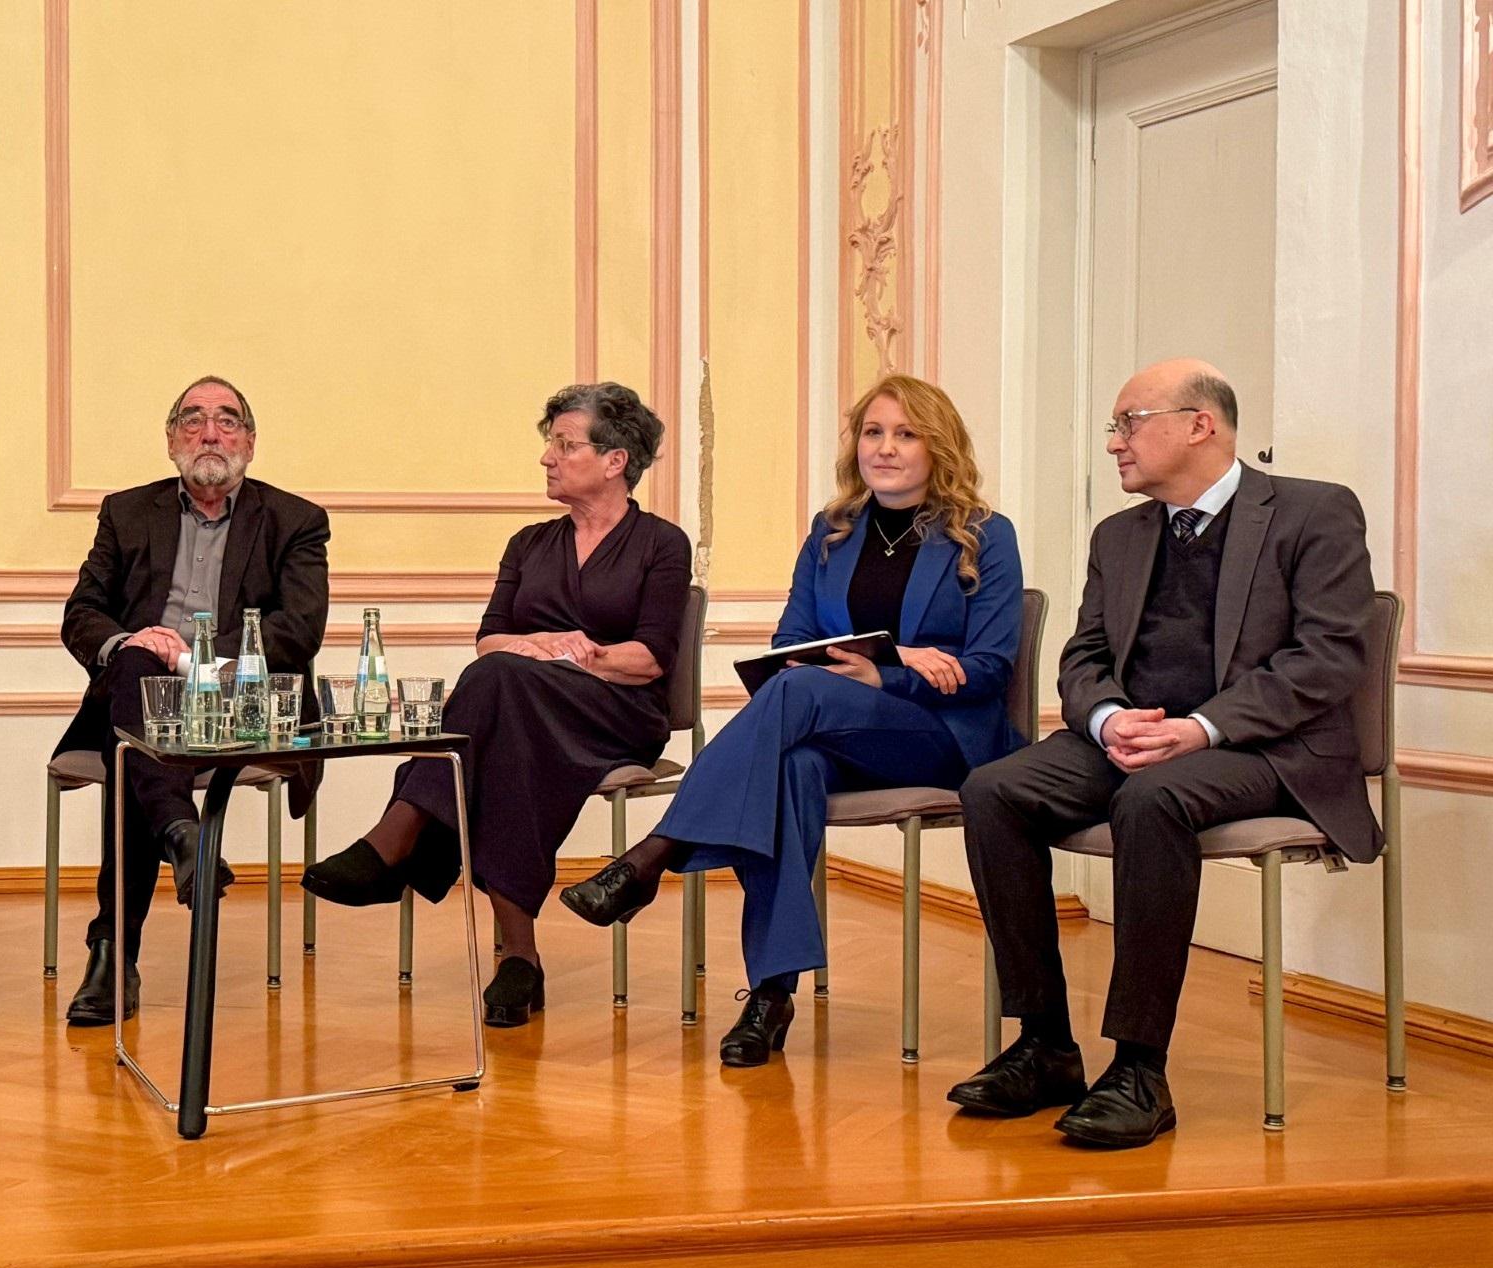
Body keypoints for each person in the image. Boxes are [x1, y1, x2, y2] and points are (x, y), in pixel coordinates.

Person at [950, 358, 1378, 1149]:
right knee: (992, 791)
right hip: (1135, 736)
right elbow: (1083, 656)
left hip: (1262, 747)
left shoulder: (1313, 514)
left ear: (1199, 424)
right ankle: (1046, 1044)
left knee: (1151, 800)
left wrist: (1202, 728)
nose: (1114, 442)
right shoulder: (1120, 535)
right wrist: (1109, 718)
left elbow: (1329, 657)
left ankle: (1139, 1067)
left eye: (1128, 422)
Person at [560, 374, 1024, 1067]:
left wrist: (887, 672)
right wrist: (880, 663)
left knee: (795, 699)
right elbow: (794, 642)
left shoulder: (984, 536)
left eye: (905, 434)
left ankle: (655, 854)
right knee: (792, 765)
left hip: (939, 739)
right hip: (836, 733)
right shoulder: (832, 534)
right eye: (873, 432)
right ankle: (771, 995)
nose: (886, 448)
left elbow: (989, 667)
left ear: (938, 446)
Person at [302, 383, 691, 1027]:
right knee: (506, 725)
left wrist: (572, 656)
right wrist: (535, 646)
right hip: (525, 709)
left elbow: (650, 659)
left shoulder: (660, 544)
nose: (547, 457)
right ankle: (519, 960)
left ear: (615, 460)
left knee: (498, 689)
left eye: (565, 445)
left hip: (616, 714)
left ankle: (399, 839)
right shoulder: (528, 543)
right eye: (551, 444)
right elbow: (491, 639)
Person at [54, 374, 329, 1026]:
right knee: (133, 678)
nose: (210, 433)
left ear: (251, 442)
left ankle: (112, 950)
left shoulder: (295, 520)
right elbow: (82, 614)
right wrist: (136, 645)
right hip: (142, 697)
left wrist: (187, 658)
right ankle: (181, 833)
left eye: (227, 420)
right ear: (171, 439)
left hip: (245, 704)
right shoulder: (126, 512)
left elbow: (298, 630)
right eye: (193, 420)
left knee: (134, 742)